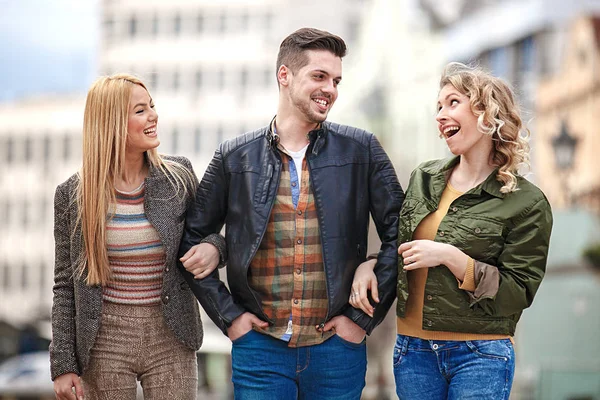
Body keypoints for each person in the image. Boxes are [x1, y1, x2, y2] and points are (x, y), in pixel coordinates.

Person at [178, 27, 404, 399]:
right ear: (285, 75)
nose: (330, 88)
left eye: (336, 80)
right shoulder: (234, 157)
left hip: (337, 349)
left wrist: (361, 320)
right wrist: (230, 318)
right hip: (260, 350)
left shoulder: (361, 150)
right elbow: (190, 241)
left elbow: (402, 233)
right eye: (319, 76)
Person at [351, 62, 553, 400]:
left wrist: (452, 258)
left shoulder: (527, 203)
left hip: (480, 355)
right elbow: (398, 244)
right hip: (412, 352)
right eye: (438, 107)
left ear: (487, 113)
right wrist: (369, 263)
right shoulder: (423, 178)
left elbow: (518, 292)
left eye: (453, 103)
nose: (440, 115)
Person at [50, 73, 226, 400]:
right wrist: (62, 364)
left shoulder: (179, 177)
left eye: (153, 106)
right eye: (141, 110)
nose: (154, 116)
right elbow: (64, 284)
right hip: (104, 343)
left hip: (171, 337)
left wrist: (212, 249)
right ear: (112, 122)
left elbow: (215, 237)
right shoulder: (72, 195)